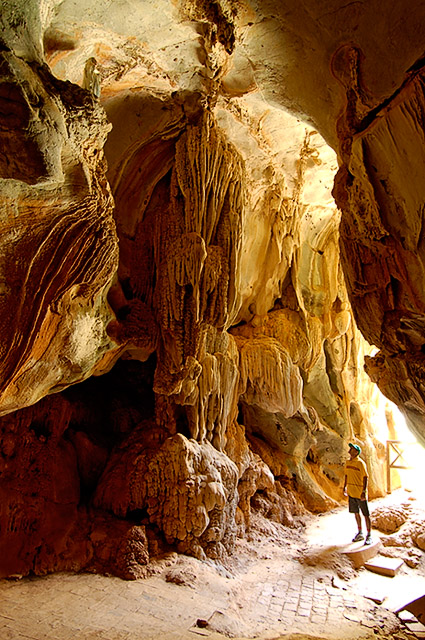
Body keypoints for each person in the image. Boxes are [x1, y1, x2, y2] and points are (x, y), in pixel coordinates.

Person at [343, 442, 372, 544]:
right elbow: (346, 475)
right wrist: (344, 487)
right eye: (350, 448)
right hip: (351, 492)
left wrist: (364, 491)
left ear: (356, 452)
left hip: (360, 492)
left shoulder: (360, 463)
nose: (350, 450)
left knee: (366, 514)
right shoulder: (348, 462)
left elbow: (365, 477)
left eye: (352, 449)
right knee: (356, 513)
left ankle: (369, 535)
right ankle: (360, 532)